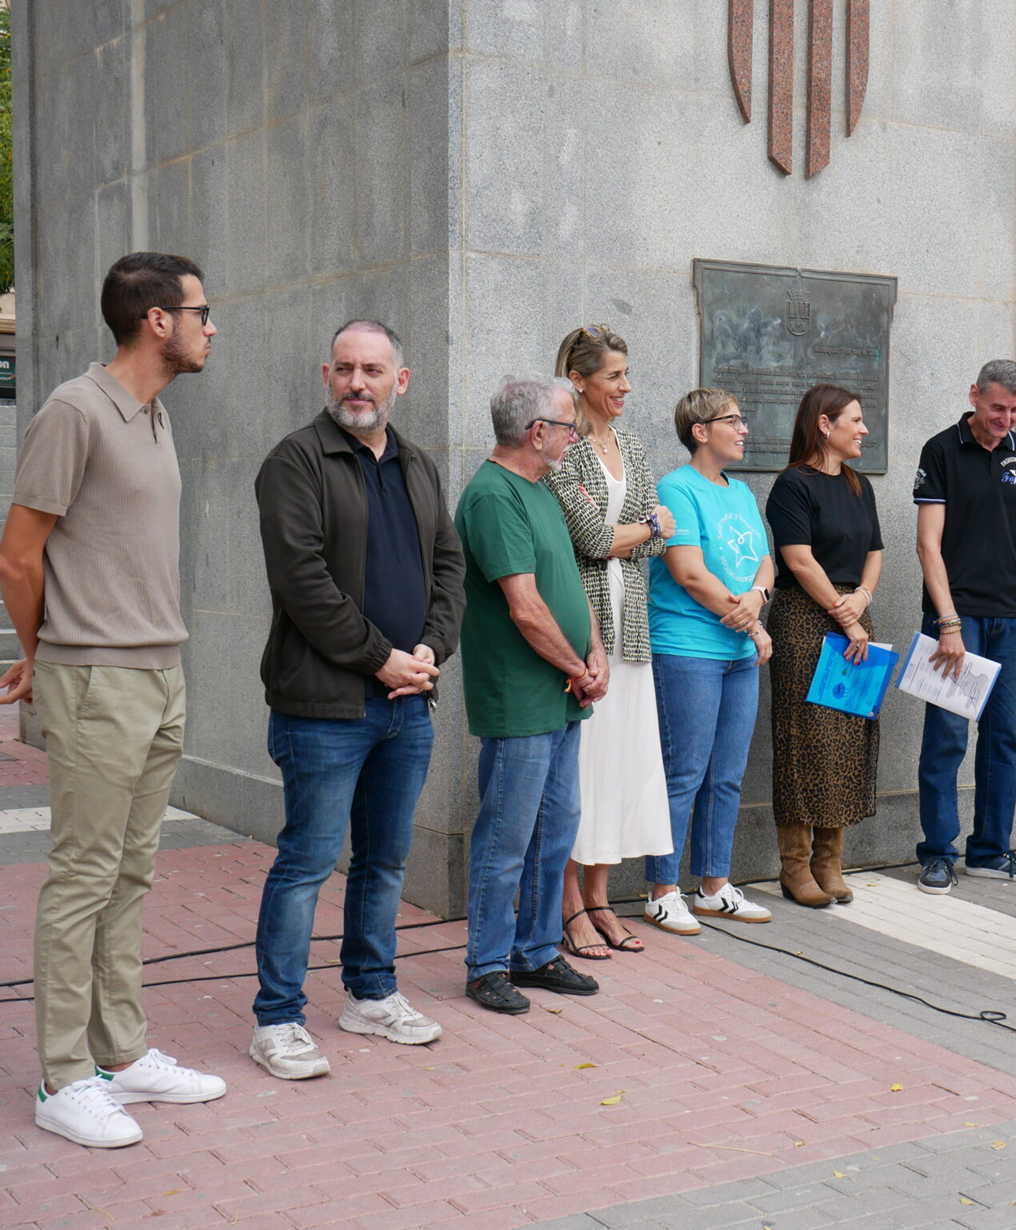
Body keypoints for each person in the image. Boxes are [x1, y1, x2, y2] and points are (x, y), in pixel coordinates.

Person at [0, 252, 226, 1147]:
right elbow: (19, 553)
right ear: (157, 320)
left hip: (160, 670)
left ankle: (122, 1052)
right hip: (97, 676)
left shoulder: (155, 415)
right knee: (83, 878)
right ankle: (63, 1076)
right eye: (203, 312)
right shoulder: (74, 409)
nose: (214, 326)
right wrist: (42, 650)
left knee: (131, 873)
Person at [250, 320, 466, 1079]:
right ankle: (277, 1019)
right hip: (323, 707)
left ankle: (370, 995)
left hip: (409, 702)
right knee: (306, 861)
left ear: (399, 381)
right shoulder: (296, 462)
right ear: (325, 375)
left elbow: (449, 566)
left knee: (385, 858)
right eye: (344, 368)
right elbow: (303, 583)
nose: (357, 383)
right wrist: (383, 660)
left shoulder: (418, 465)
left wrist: (432, 651)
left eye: (373, 370)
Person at [456, 376, 608, 1014]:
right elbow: (524, 606)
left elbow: (569, 581)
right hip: (521, 694)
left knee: (557, 825)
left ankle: (538, 949)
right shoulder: (494, 496)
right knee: (507, 834)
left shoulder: (542, 490)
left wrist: (595, 650)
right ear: (535, 432)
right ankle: (488, 963)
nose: (576, 437)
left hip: (562, 689)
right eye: (569, 426)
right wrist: (577, 665)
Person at [546, 325, 675, 959]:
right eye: (614, 375)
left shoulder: (634, 445)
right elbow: (591, 539)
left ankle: (600, 898)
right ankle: (567, 902)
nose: (626, 386)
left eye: (626, 373)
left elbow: (656, 538)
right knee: (582, 767)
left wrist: (642, 527)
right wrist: (645, 525)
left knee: (621, 763)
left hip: (633, 633)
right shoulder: (563, 449)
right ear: (579, 379)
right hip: (587, 623)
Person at [911, 359, 1016, 895]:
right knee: (948, 735)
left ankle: (991, 851)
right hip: (959, 617)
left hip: (1014, 619)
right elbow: (929, 544)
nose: (1006, 418)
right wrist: (947, 621)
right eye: (998, 407)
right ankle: (937, 853)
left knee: (1005, 737)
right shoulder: (941, 450)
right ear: (974, 395)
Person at [643, 389, 775, 935]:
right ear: (701, 431)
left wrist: (758, 602)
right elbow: (690, 574)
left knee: (727, 775)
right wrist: (752, 620)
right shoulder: (676, 487)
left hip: (738, 651)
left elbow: (765, 563)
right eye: (733, 421)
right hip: (688, 648)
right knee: (685, 772)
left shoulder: (741, 491)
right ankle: (661, 890)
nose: (744, 429)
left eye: (743, 420)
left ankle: (714, 886)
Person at [764, 384, 884, 908]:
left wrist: (861, 598)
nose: (862, 429)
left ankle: (830, 861)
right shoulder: (792, 485)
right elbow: (799, 560)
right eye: (854, 420)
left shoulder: (859, 485)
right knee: (803, 739)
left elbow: (875, 551)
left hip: (853, 616)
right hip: (805, 621)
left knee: (846, 739)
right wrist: (845, 615)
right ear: (824, 424)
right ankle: (795, 866)